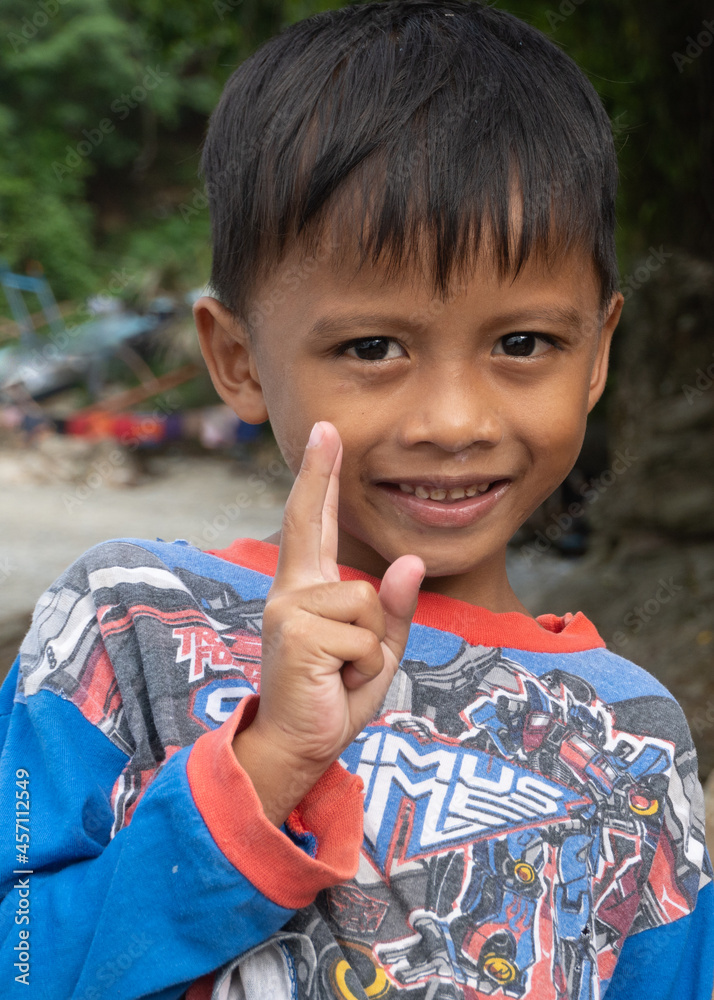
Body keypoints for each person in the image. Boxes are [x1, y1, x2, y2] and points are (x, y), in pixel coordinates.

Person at [1, 2, 712, 997]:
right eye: (372, 347)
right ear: (238, 359)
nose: (456, 419)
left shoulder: (633, 736)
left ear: (597, 354)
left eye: (524, 344)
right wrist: (261, 771)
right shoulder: (125, 628)